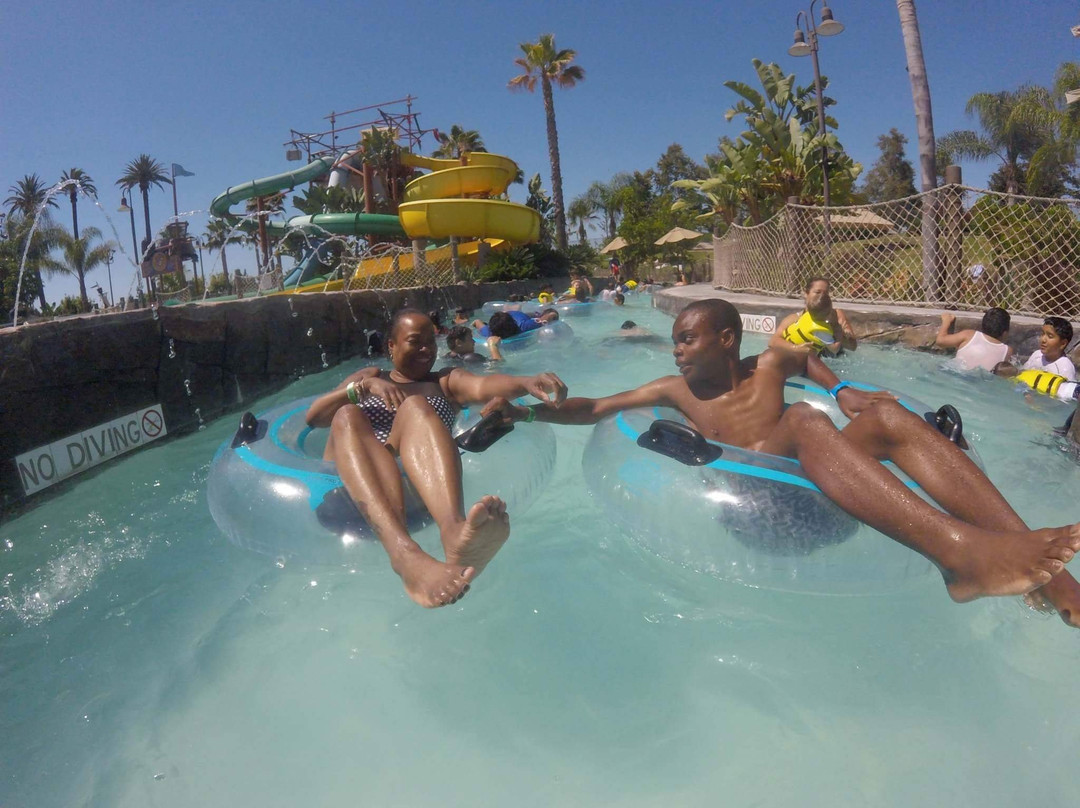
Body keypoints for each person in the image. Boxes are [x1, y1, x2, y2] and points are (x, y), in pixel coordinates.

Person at [482, 298, 1080, 627]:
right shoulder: (675, 392)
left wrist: (841, 388)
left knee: (894, 419)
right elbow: (596, 407)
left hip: (826, 506)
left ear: (726, 339)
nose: (677, 349)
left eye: (688, 338)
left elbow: (804, 360)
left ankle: (1053, 579)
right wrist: (527, 414)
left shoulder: (769, 367)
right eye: (675, 340)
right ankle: (960, 553)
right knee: (803, 421)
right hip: (760, 521)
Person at [305, 309, 567, 608]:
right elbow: (315, 418)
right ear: (390, 346)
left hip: (415, 492)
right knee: (347, 414)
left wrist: (526, 382)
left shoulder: (443, 383)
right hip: (346, 491)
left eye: (431, 341)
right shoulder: (369, 377)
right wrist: (362, 389)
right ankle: (404, 556)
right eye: (415, 341)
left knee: (416, 406)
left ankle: (454, 533)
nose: (426, 349)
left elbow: (483, 386)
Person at [770, 277, 857, 356]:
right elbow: (773, 342)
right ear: (806, 294)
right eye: (817, 292)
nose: (822, 296)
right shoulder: (794, 319)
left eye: (826, 293)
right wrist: (796, 348)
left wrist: (837, 330)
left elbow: (853, 347)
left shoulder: (836, 315)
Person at [936, 307, 1012, 371]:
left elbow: (940, 341)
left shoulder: (969, 335)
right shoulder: (1007, 351)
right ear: (1005, 333)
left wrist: (946, 321)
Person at [993, 362, 1080, 402]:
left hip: (1067, 394)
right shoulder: (1027, 371)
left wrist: (1034, 407)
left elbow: (1028, 396)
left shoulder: (1019, 382)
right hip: (1071, 385)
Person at [472, 308, 559, 339]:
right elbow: (477, 322)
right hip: (508, 315)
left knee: (536, 315)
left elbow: (550, 315)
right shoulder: (490, 334)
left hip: (520, 315)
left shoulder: (525, 326)